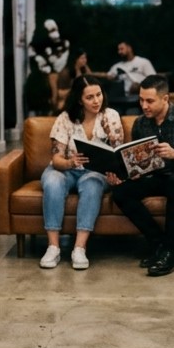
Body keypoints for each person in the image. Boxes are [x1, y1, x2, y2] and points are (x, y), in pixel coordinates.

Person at [108, 74, 174, 278]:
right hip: (156, 176)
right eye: (141, 100)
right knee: (121, 192)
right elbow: (138, 162)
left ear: (165, 99)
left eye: (150, 101)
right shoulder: (140, 124)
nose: (144, 106)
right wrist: (131, 173)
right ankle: (158, 242)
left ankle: (170, 252)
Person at [40, 75, 122, 270]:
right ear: (79, 100)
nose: (96, 101)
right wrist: (70, 162)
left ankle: (79, 248)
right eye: (89, 97)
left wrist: (111, 136)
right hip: (67, 169)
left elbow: (118, 155)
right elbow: (57, 159)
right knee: (52, 181)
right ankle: (53, 247)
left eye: (99, 95)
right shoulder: (65, 118)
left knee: (92, 183)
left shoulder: (111, 116)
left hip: (95, 172)